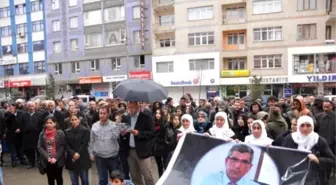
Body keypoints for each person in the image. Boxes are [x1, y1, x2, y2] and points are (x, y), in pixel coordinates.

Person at [282, 116, 336, 185]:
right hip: (293, 178)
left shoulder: (318, 140)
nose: (305, 128)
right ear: (298, 126)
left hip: (314, 180)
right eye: (302, 125)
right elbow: (282, 155)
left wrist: (318, 160)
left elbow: (332, 160)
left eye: (308, 125)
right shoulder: (290, 138)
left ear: (312, 126)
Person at [88, 105, 124, 185]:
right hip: (100, 158)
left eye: (104, 113)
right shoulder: (94, 126)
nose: (102, 115)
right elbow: (91, 140)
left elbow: (116, 137)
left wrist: (117, 124)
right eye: (100, 113)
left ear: (108, 114)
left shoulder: (113, 125)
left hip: (113, 157)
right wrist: (91, 153)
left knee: (115, 179)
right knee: (102, 179)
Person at [125, 101, 155, 185]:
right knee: (135, 176)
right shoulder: (126, 118)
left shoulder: (146, 117)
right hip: (130, 151)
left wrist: (139, 133)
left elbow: (152, 133)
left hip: (143, 151)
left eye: (132, 107)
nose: (130, 109)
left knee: (147, 176)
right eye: (129, 107)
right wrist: (123, 133)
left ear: (137, 107)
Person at [37, 116, 66, 185]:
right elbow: (39, 146)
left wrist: (55, 158)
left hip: (58, 160)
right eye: (47, 123)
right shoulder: (42, 134)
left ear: (55, 123)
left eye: (51, 123)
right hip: (47, 160)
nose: (49, 125)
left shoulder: (60, 133)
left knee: (59, 177)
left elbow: (62, 146)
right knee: (50, 178)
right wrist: (47, 157)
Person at [65, 115, 91, 185]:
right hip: (71, 158)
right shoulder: (67, 131)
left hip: (83, 157)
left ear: (79, 120)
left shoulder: (85, 131)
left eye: (75, 119)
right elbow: (66, 145)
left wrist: (78, 153)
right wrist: (73, 153)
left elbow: (84, 144)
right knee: (74, 181)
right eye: (72, 120)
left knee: (85, 180)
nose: (74, 121)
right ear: (70, 121)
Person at [20, 101, 43, 169]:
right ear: (27, 107)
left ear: (35, 107)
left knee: (38, 150)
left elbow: (41, 124)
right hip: (27, 136)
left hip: (37, 135)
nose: (31, 108)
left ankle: (39, 163)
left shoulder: (39, 114)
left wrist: (38, 130)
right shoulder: (24, 115)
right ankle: (31, 163)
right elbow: (21, 124)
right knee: (29, 150)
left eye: (32, 106)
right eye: (30, 106)